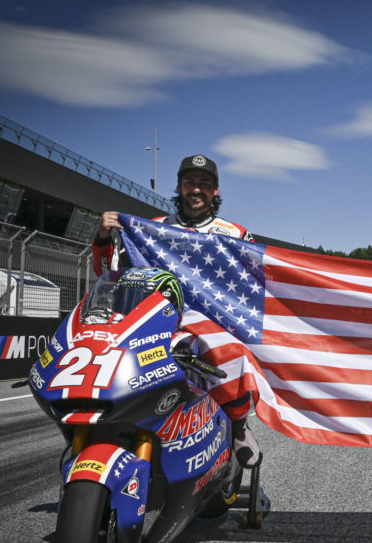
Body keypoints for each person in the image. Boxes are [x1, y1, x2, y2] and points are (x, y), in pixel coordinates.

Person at [90, 154, 262, 469]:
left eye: (204, 184)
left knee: (235, 354)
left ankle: (237, 426)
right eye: (190, 183)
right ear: (180, 187)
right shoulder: (150, 228)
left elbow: (255, 285)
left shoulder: (236, 234)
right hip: (157, 321)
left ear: (216, 191)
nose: (196, 190)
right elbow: (108, 273)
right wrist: (103, 236)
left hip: (213, 324)